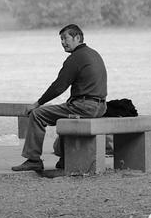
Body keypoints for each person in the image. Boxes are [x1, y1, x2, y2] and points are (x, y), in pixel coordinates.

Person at [11, 24, 107, 171]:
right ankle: (65, 159)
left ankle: (33, 159)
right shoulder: (93, 53)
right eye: (61, 39)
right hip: (100, 107)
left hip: (85, 107)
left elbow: (59, 86)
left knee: (38, 115)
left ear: (78, 38)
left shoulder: (76, 58)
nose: (62, 42)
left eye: (65, 38)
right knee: (65, 118)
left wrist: (37, 104)